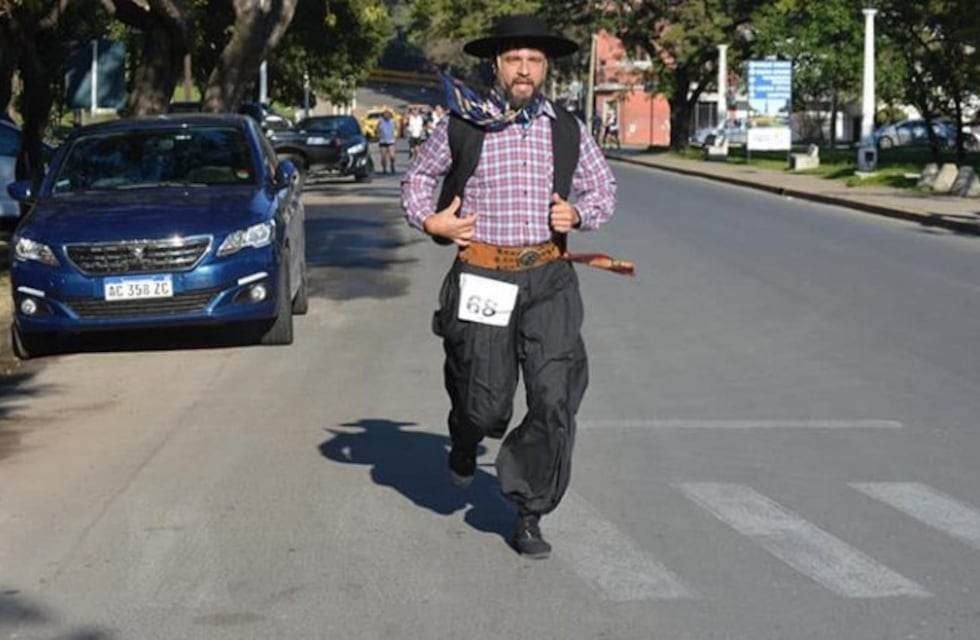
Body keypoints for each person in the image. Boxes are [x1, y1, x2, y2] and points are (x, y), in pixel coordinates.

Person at [400, 14, 616, 559]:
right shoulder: (464, 124)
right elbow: (419, 179)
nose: (524, 69)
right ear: (496, 64)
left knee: (553, 397)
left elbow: (603, 190)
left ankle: (528, 510)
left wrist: (579, 213)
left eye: (534, 60)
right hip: (483, 274)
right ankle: (466, 436)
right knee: (485, 405)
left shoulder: (566, 128)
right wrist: (432, 222)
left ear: (545, 68)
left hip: (548, 276)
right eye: (515, 59)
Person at [377, 110, 397, 174]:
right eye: (385, 115)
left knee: (392, 156)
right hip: (383, 141)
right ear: (383, 116)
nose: (387, 116)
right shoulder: (381, 122)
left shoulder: (392, 122)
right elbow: (377, 130)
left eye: (388, 115)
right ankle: (384, 169)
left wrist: (395, 136)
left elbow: (396, 129)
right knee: (383, 157)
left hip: (391, 141)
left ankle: (392, 166)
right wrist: (378, 124)